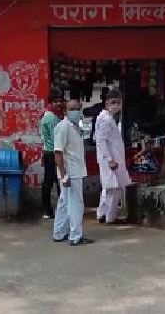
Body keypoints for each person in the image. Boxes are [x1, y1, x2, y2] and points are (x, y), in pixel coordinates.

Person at [53, 99, 95, 246]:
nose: (75, 112)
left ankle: (58, 233)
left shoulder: (76, 127)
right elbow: (58, 153)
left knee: (64, 203)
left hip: (74, 171)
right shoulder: (62, 127)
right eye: (71, 109)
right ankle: (76, 236)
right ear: (65, 111)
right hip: (71, 173)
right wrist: (64, 175)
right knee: (76, 204)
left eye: (77, 108)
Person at [95, 89, 132, 224]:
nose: (116, 105)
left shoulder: (108, 117)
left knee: (108, 187)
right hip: (110, 159)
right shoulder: (105, 119)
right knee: (113, 188)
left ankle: (102, 213)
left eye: (118, 102)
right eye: (113, 102)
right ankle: (110, 217)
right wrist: (109, 160)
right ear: (106, 103)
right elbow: (101, 141)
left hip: (111, 157)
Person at [40, 88, 65, 219]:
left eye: (60, 101)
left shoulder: (49, 114)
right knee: (56, 181)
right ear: (51, 102)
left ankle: (48, 210)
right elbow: (57, 138)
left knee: (49, 181)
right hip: (53, 152)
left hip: (49, 151)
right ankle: (53, 209)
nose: (59, 104)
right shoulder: (51, 117)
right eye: (56, 101)